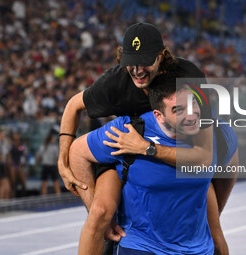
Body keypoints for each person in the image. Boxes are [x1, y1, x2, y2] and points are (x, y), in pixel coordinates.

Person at [58, 23, 235, 254]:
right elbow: (73, 106)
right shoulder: (116, 82)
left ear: (161, 57)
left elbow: (204, 154)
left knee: (215, 233)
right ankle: (111, 231)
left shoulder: (189, 76)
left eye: (144, 62)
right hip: (125, 151)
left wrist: (148, 148)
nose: (137, 70)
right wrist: (62, 160)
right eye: (131, 62)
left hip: (166, 149)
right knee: (100, 214)